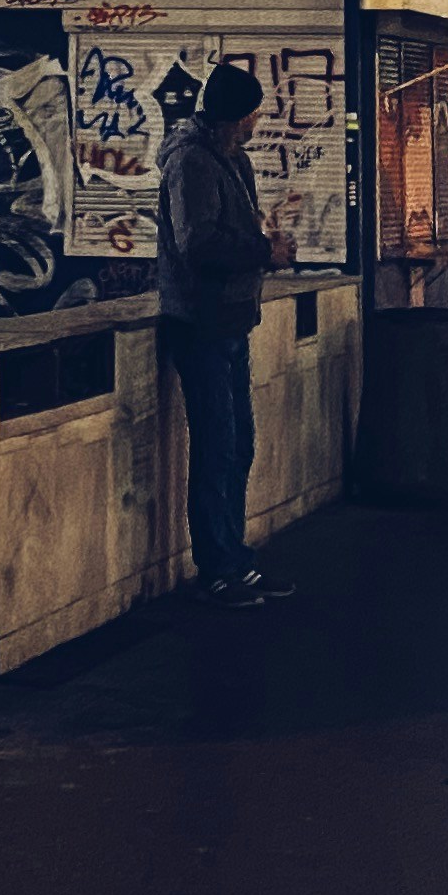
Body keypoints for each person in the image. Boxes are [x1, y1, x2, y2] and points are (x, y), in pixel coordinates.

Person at [156, 62, 294, 607]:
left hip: (231, 319)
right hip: (203, 323)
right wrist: (265, 252)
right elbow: (198, 243)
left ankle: (234, 560)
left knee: (238, 446)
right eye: (255, 111)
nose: (260, 119)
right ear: (236, 117)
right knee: (218, 448)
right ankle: (217, 570)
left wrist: (263, 245)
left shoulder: (231, 160)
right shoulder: (193, 162)